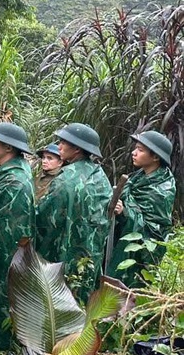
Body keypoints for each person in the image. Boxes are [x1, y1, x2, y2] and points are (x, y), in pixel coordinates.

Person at [36, 122, 112, 299]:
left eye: (63, 142)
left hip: (64, 255)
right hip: (90, 255)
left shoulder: (66, 178)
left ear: (77, 149)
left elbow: (46, 217)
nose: (59, 146)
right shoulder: (100, 176)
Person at [0, 122, 35, 352]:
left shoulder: (14, 179)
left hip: (3, 254)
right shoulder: (9, 171)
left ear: (9, 148)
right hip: (4, 252)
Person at [107, 131, 178, 284]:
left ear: (155, 157)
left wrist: (125, 212)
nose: (134, 152)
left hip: (139, 255)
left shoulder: (162, 189)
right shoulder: (138, 177)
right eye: (135, 148)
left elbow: (153, 229)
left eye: (140, 150)